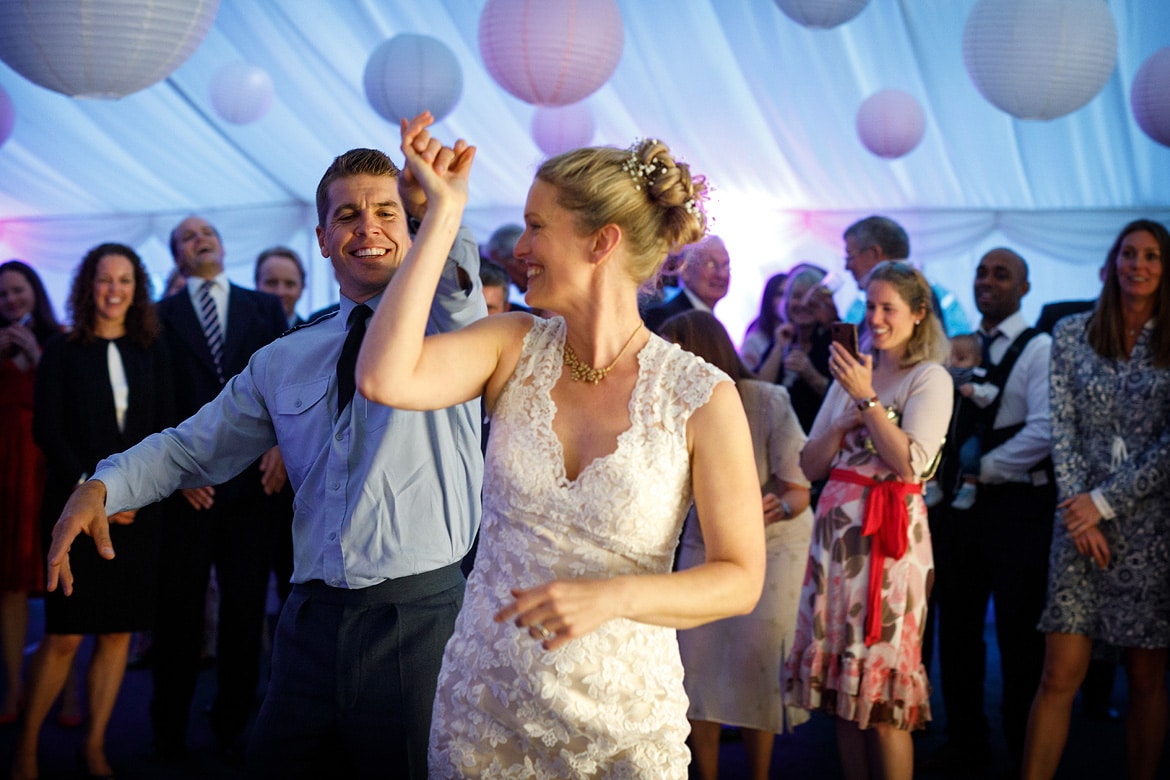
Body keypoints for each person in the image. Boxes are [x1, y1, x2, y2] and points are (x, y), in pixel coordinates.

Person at [45, 139, 486, 779]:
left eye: (388, 213)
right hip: (306, 622)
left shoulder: (456, 330)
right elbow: (188, 447)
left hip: (418, 623)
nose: (369, 228)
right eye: (348, 216)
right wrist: (104, 486)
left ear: (414, 226)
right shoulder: (285, 357)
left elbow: (456, 285)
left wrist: (438, 208)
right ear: (323, 238)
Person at [355, 117, 764, 776]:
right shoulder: (511, 345)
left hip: (626, 724)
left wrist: (615, 596)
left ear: (601, 242)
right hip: (486, 709)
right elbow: (382, 376)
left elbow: (740, 578)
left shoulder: (701, 396)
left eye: (537, 225)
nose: (521, 246)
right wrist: (440, 217)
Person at [784, 260, 951, 780]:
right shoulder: (853, 368)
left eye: (889, 309)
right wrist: (840, 420)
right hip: (835, 540)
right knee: (842, 695)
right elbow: (809, 464)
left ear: (918, 315)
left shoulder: (930, 377)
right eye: (870, 306)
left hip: (889, 543)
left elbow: (911, 463)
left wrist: (868, 399)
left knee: (882, 704)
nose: (875, 318)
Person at [12, 244, 174, 780]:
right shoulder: (61, 350)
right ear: (88, 286)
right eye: (104, 279)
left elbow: (167, 427)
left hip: (139, 514)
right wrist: (96, 490)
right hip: (75, 511)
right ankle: (27, 748)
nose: (113, 290)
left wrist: (133, 494)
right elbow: (48, 431)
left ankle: (95, 745)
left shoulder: (152, 348)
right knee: (62, 636)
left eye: (124, 280)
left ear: (137, 288)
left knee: (117, 634)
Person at [1023, 219, 1170, 780]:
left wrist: (1105, 503)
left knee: (1145, 680)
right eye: (1130, 254)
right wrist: (1081, 511)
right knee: (1059, 675)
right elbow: (1061, 427)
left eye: (1153, 256)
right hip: (1076, 521)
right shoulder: (1071, 333)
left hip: (1149, 527)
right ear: (1112, 264)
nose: (1139, 265)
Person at [145, 215, 290, 760]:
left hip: (253, 486)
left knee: (245, 608)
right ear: (179, 257)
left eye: (207, 232)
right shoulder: (160, 316)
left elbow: (284, 383)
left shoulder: (264, 307)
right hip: (189, 490)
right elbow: (157, 399)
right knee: (178, 612)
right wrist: (177, 473)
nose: (200, 239)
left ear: (223, 247)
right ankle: (167, 729)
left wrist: (280, 444)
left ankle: (233, 721)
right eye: (187, 237)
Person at [661, 310, 811, 780]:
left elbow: (799, 490)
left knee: (755, 667)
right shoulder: (664, 401)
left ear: (703, 352)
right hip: (703, 537)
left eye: (674, 351)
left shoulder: (766, 399)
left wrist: (778, 507)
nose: (663, 361)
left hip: (773, 543)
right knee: (696, 668)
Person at [929, 248, 1055, 775]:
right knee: (957, 630)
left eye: (1001, 274)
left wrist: (985, 471)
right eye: (981, 272)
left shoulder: (1039, 347)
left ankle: (1021, 744)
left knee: (1018, 634)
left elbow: (1044, 430)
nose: (987, 281)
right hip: (962, 514)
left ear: (1023, 288)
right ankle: (965, 740)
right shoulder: (960, 346)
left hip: (1016, 508)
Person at [0, 261, 60, 725]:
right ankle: (15, 689)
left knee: (61, 580)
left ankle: (69, 690)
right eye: (2, 295)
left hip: (46, 467)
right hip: (4, 472)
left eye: (17, 291)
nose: (11, 301)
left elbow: (68, 403)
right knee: (10, 584)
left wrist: (39, 359)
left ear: (33, 292)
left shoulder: (58, 338)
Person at [841, 215, 968, 339]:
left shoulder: (915, 290)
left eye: (850, 257)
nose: (846, 267)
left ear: (874, 253)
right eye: (871, 307)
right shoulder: (915, 287)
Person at [755, 264, 833, 433]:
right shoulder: (783, 336)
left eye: (810, 297)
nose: (804, 304)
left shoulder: (831, 343)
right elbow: (760, 390)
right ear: (787, 301)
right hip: (775, 434)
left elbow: (839, 400)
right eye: (797, 296)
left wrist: (810, 373)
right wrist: (778, 348)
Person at [945, 333, 999, 511]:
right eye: (950, 357)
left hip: (970, 431)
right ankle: (931, 485)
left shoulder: (981, 377)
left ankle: (969, 486)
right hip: (947, 431)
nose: (954, 363)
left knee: (969, 455)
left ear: (977, 360)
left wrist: (974, 391)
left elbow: (990, 394)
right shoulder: (944, 377)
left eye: (961, 358)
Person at [642, 234, 731, 332]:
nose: (721, 274)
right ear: (685, 270)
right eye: (710, 264)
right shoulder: (664, 318)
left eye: (726, 265)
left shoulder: (714, 323)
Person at [739, 271, 788, 371]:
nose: (785, 300)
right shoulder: (755, 341)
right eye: (780, 294)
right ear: (769, 298)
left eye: (789, 294)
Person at [254, 246, 307, 327]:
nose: (280, 292)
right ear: (257, 284)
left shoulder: (315, 336)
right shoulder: (240, 333)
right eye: (272, 283)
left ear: (302, 288)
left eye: (289, 284)